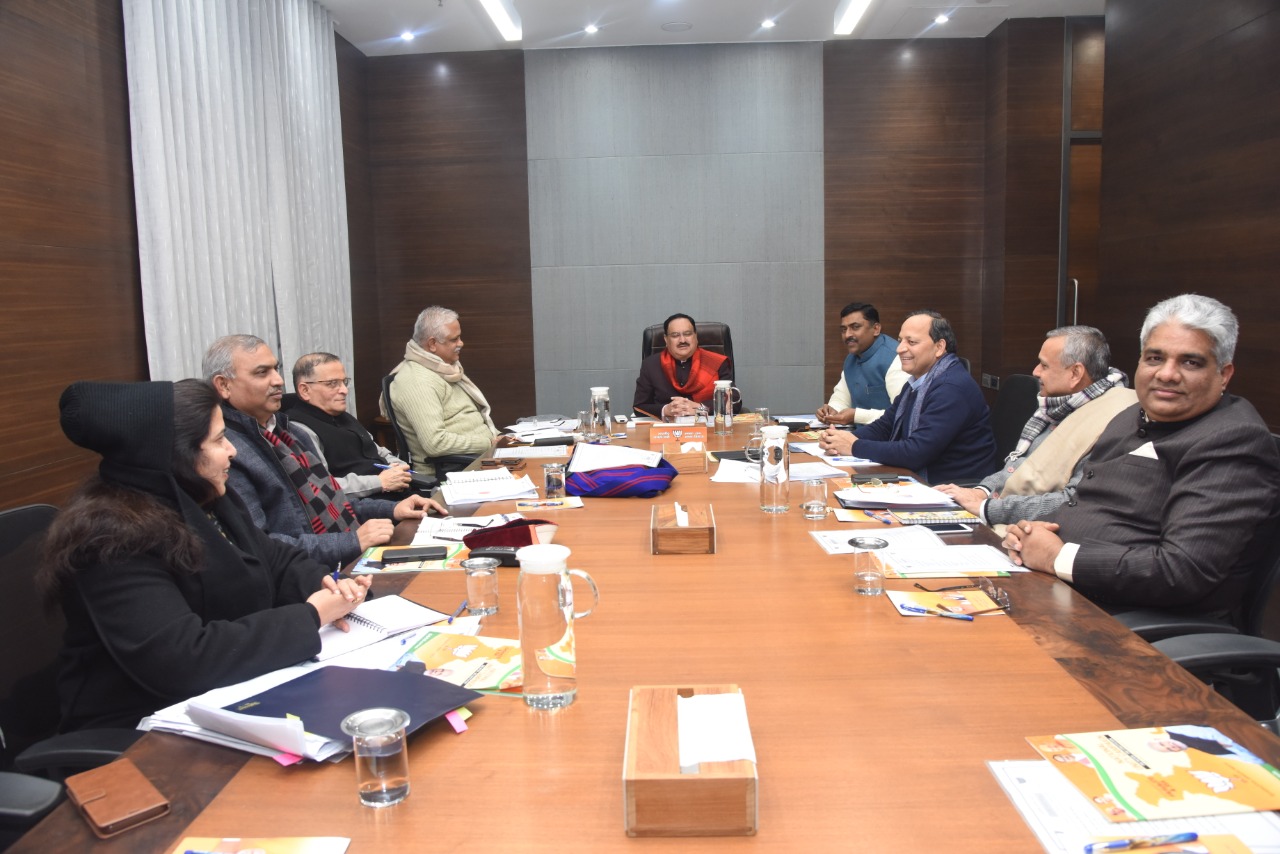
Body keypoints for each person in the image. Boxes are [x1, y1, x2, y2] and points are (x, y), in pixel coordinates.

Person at [40, 380, 373, 731]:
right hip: (143, 726)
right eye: (218, 440)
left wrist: (329, 586)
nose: (233, 451)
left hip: (227, 693)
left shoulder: (204, 495)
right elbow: (183, 659)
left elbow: (273, 557)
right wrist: (310, 615)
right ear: (176, 453)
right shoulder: (110, 539)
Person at [1003, 294, 1280, 623]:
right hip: (1062, 594)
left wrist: (1059, 556)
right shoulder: (1131, 415)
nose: (1166, 374)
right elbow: (1086, 503)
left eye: (1190, 362)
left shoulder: (1233, 441)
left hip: (1134, 628)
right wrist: (1033, 534)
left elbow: (1181, 571)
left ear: (1224, 374)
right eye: (1154, 358)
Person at [205, 335, 442, 567]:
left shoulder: (287, 433)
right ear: (224, 385)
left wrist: (393, 509)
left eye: (276, 369)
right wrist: (351, 541)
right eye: (261, 372)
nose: (278, 380)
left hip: (351, 551)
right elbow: (261, 547)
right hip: (315, 576)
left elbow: (334, 501)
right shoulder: (228, 455)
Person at [935, 326, 1136, 528]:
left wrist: (987, 508)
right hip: (1007, 517)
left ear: (1075, 373)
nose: (1035, 372)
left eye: (1044, 365)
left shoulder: (1115, 419)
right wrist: (981, 491)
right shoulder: (1058, 405)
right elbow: (1017, 467)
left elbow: (1073, 500)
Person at [818, 310, 997, 484]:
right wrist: (839, 440)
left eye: (911, 342)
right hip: (921, 479)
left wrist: (853, 446)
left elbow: (916, 453)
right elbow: (886, 426)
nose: (899, 349)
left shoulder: (950, 388)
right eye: (900, 340)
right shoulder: (916, 382)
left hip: (952, 489)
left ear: (939, 347)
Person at [381, 306, 505, 476]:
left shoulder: (444, 369)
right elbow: (435, 443)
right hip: (455, 470)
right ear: (432, 344)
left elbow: (468, 417)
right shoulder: (417, 381)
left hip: (479, 458)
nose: (461, 343)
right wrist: (488, 442)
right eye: (454, 339)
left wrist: (501, 439)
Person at [283, 352, 417, 500]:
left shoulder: (341, 414)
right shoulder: (299, 430)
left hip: (396, 491)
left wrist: (398, 467)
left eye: (344, 382)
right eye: (332, 384)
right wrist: (379, 482)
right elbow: (322, 486)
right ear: (305, 390)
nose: (344, 390)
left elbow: (376, 450)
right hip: (365, 507)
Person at [816, 302, 908, 427]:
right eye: (844, 329)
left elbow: (902, 414)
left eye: (855, 327)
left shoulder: (897, 358)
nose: (848, 335)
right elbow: (842, 396)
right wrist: (832, 410)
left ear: (876, 329)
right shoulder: (852, 358)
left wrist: (856, 416)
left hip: (889, 440)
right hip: (861, 435)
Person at [633, 313, 741, 419]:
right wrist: (665, 410)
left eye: (687, 334)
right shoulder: (651, 365)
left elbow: (734, 402)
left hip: (709, 428)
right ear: (666, 339)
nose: (682, 340)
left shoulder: (717, 362)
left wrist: (700, 408)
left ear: (696, 336)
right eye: (675, 335)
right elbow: (639, 407)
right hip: (666, 430)